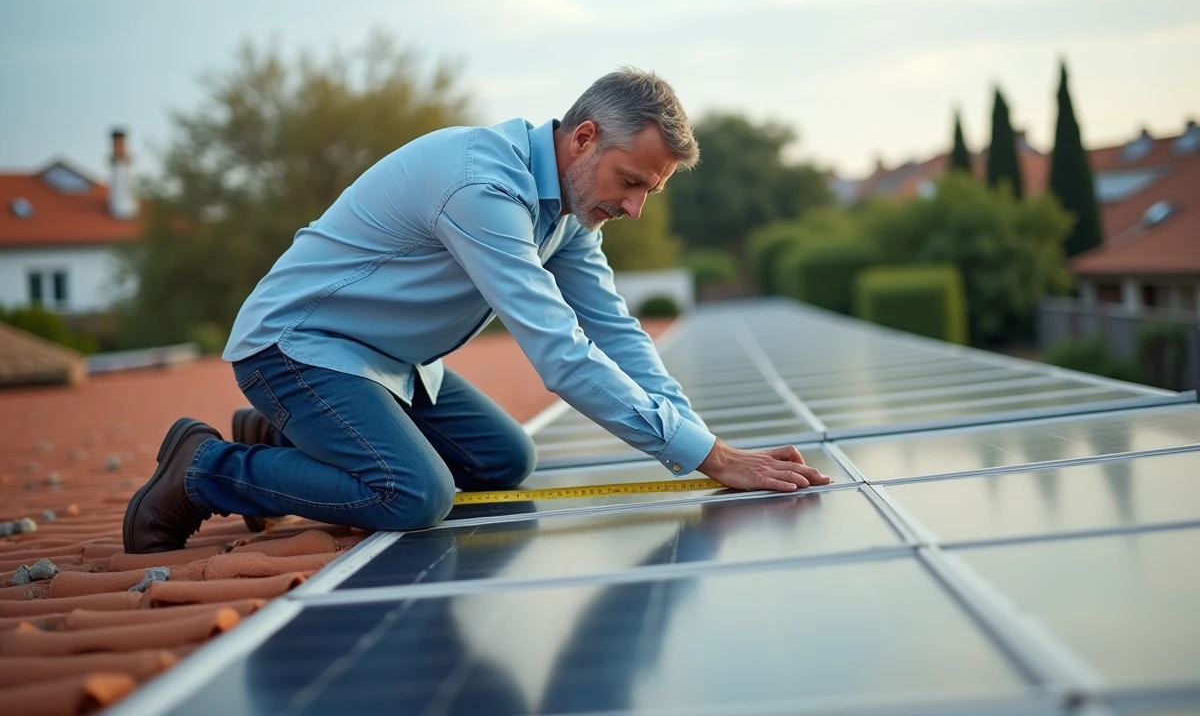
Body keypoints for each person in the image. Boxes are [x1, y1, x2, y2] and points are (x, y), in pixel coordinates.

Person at [123, 67, 831, 554]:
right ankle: (205, 468)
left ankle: (288, 441)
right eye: (630, 182)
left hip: (387, 362)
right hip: (300, 348)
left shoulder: (568, 209)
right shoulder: (482, 188)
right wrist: (706, 457)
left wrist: (707, 444)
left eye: (651, 192)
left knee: (504, 458)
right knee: (412, 496)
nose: (636, 208)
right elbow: (560, 354)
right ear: (583, 138)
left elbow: (614, 330)